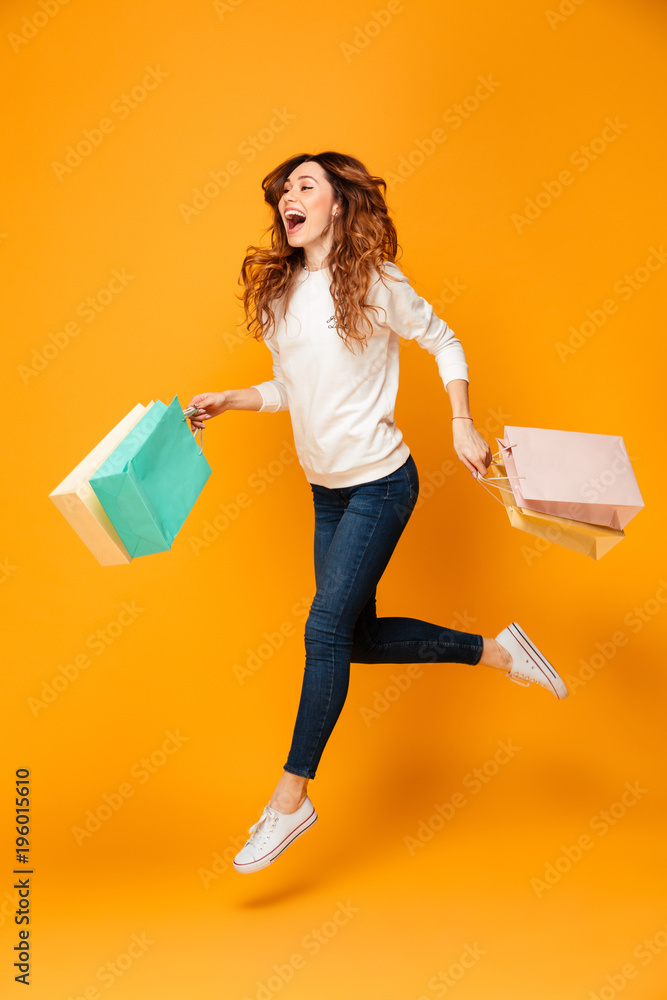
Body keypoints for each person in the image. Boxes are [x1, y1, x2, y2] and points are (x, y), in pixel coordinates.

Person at [185, 151, 568, 875]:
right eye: (284, 190)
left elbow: (443, 339)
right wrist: (234, 400)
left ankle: (289, 799)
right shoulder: (280, 294)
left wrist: (459, 421)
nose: (289, 198)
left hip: (381, 484)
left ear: (337, 206)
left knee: (322, 627)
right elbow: (295, 389)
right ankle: (500, 652)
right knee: (349, 638)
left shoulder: (372, 282)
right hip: (325, 490)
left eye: (307, 186)